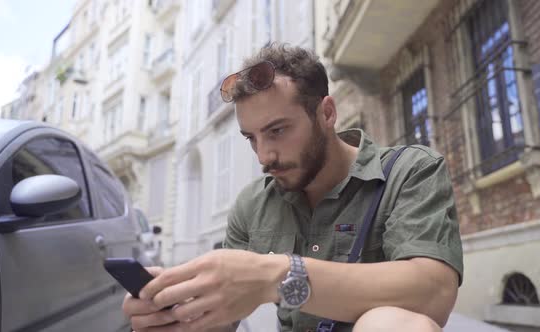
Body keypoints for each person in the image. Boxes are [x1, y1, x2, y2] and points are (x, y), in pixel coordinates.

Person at [122, 44, 463, 332]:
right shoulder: (253, 204)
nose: (264, 156)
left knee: (390, 322)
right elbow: (220, 321)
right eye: (251, 139)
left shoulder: (410, 170)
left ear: (327, 113)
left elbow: (434, 291)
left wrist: (278, 276)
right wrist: (172, 312)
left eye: (277, 131)